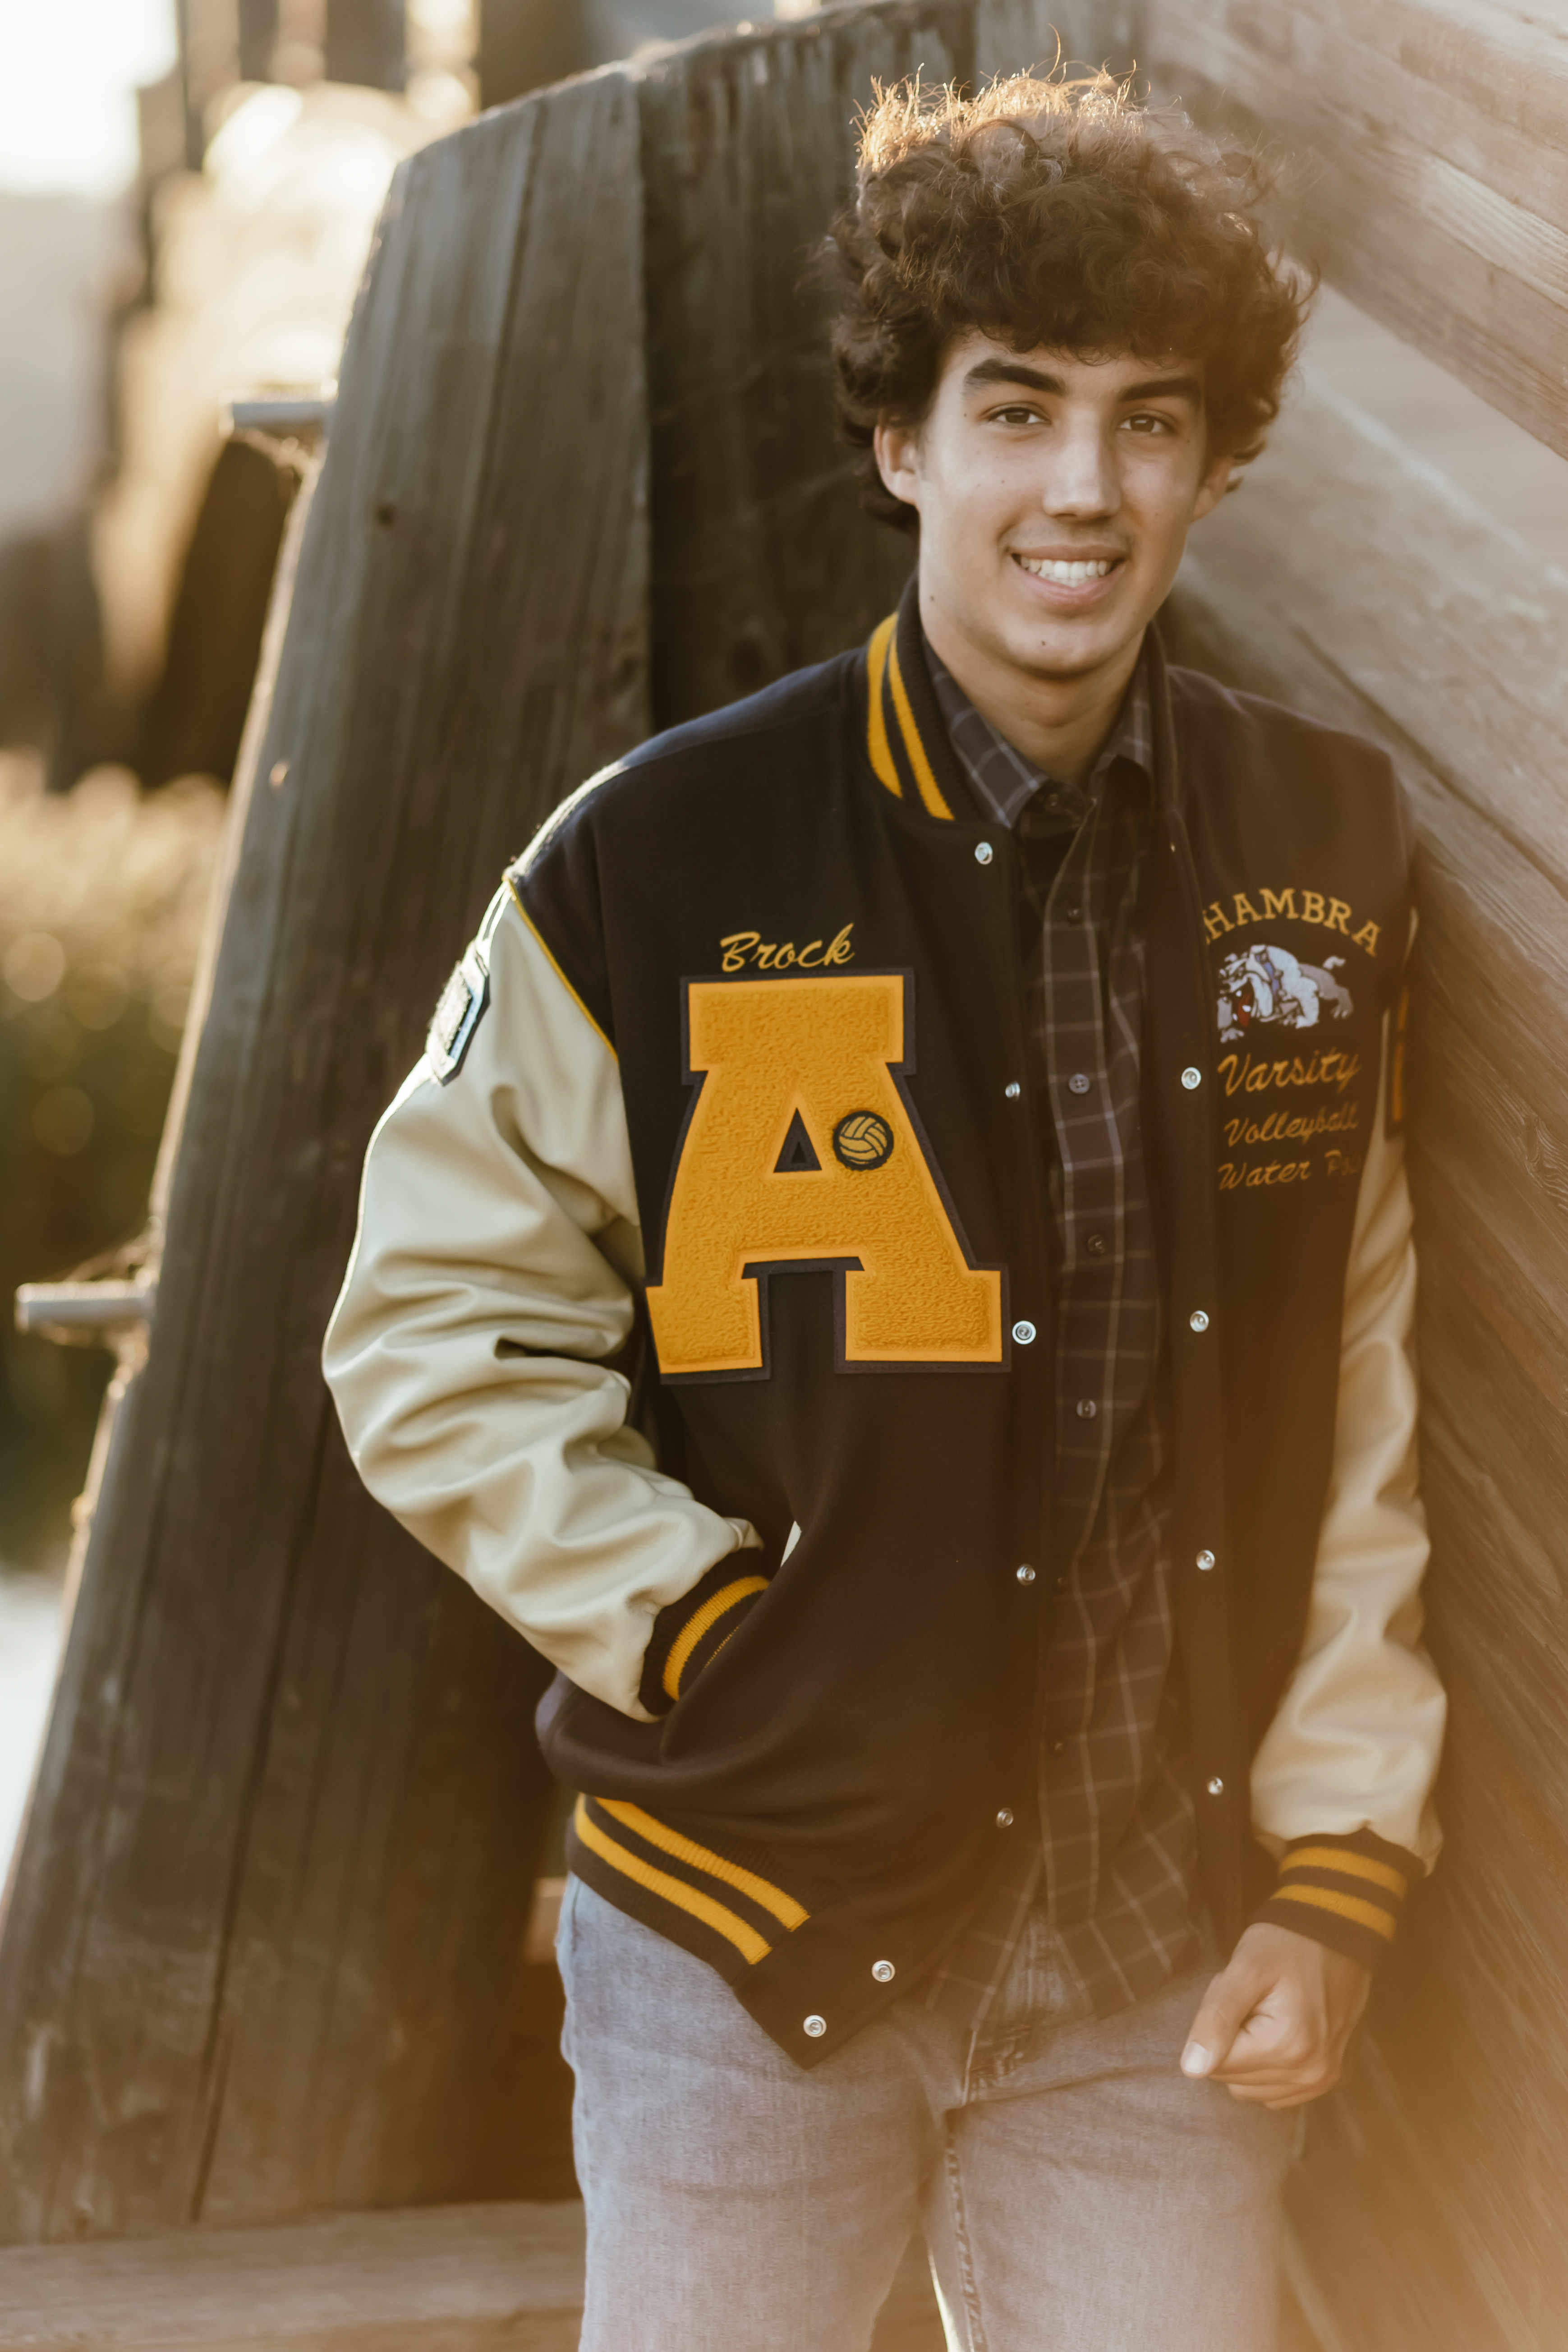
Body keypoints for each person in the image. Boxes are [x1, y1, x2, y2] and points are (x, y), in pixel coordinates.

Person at [324, 69, 1445, 2352]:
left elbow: (1353, 1392)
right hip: (747, 1937)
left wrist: (1337, 1873)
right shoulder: (657, 858)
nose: (1083, 488)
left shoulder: (1323, 853)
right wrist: (717, 1634)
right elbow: (430, 1334)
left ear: (1217, 468)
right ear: (905, 441)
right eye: (1018, 408)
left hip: (1159, 1968)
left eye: (1151, 425)